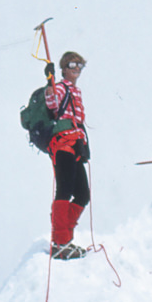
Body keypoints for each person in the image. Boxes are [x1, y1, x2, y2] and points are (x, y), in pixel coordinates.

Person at [45, 52, 90, 260]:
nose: (77, 68)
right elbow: (52, 103)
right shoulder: (61, 87)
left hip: (76, 145)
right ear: (64, 67)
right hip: (62, 144)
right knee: (64, 190)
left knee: (83, 194)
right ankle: (60, 242)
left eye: (80, 65)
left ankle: (65, 239)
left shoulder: (76, 91)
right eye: (73, 64)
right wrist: (50, 82)